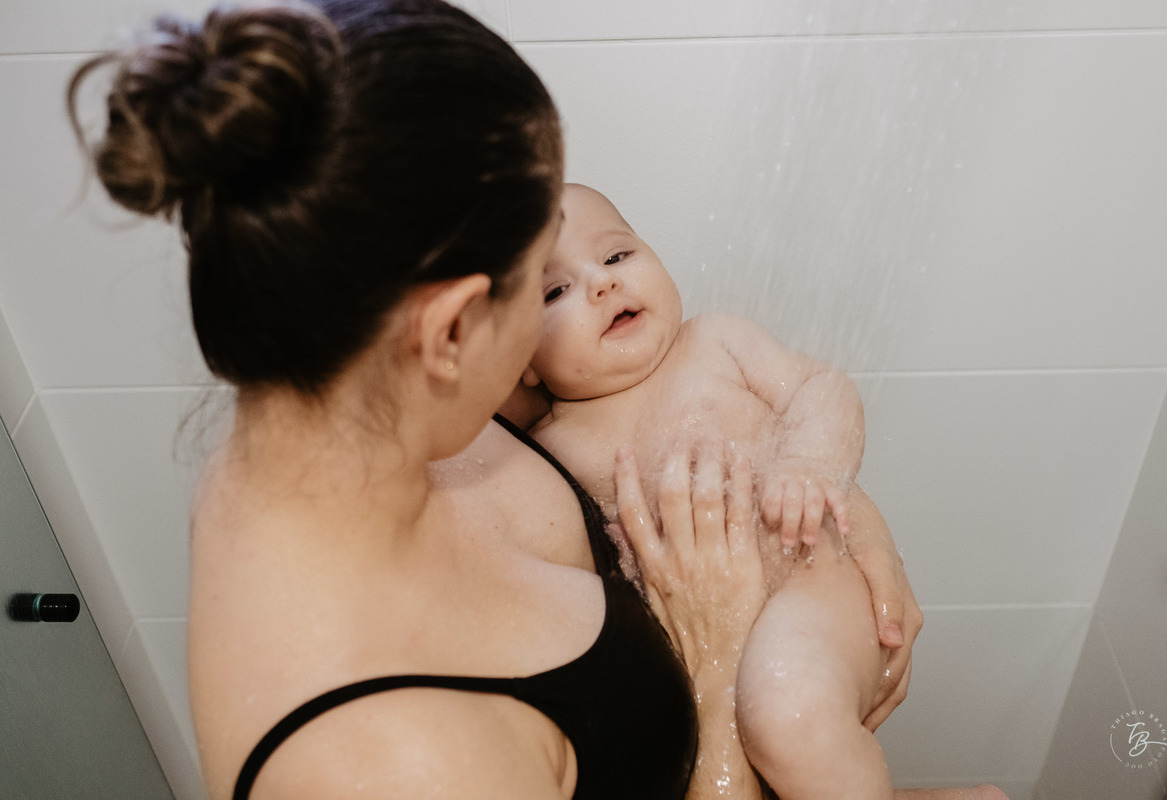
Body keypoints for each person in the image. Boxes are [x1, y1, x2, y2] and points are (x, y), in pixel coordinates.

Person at [69, 2, 922, 798]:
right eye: (539, 290)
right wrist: (717, 658)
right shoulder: (397, 768)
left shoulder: (343, 406)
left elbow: (737, 419)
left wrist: (842, 514)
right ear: (448, 332)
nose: (588, 297)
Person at [520, 184, 1007, 800]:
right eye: (555, 291)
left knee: (788, 713)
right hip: (692, 644)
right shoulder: (551, 447)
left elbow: (823, 387)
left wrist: (809, 461)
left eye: (618, 256)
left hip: (808, 582)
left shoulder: (715, 342)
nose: (602, 284)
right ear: (520, 359)